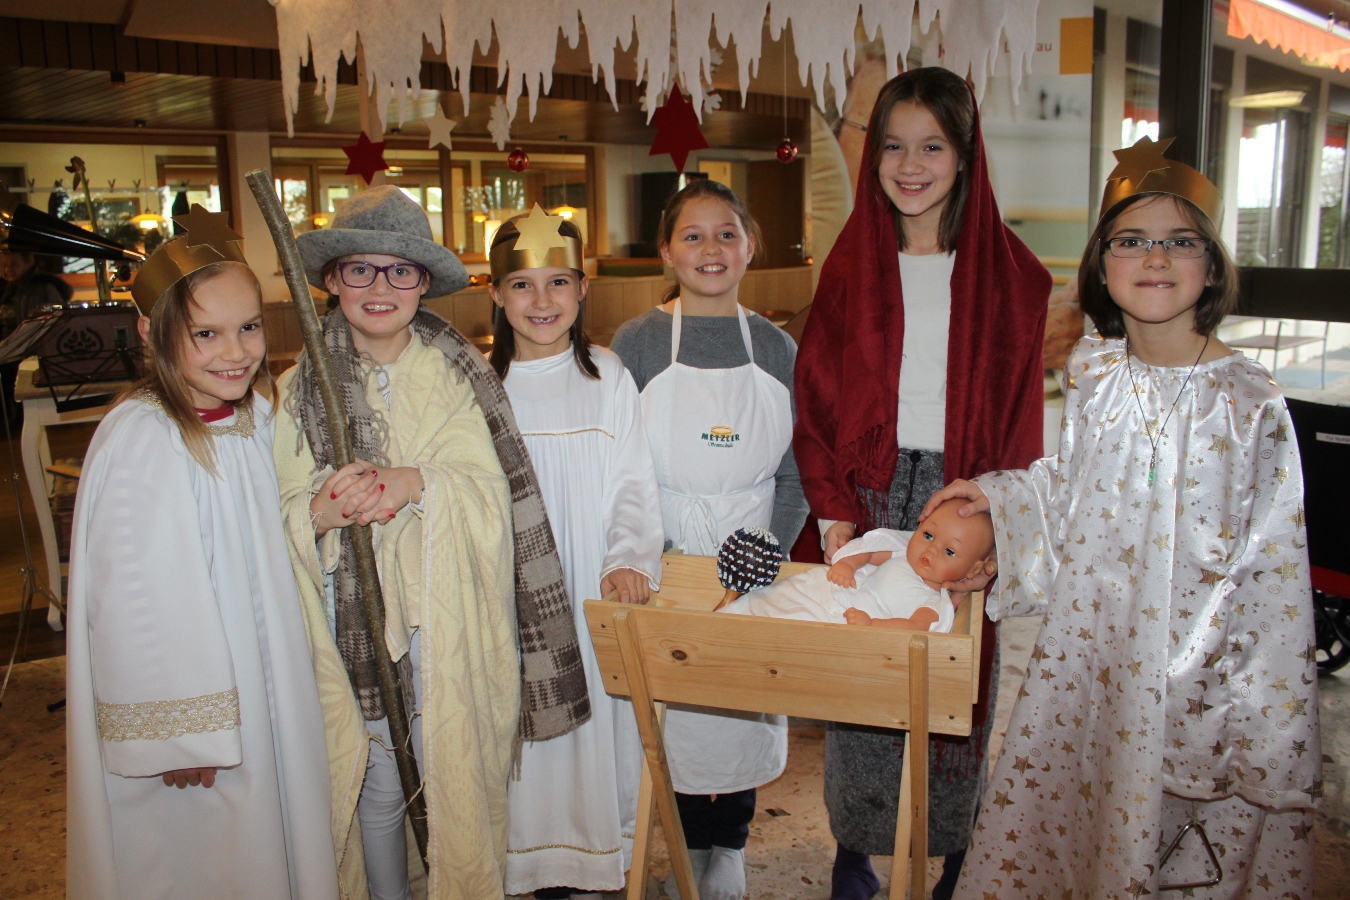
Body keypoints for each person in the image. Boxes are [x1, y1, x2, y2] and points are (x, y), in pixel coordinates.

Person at [937, 137, 1322, 898]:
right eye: (1132, 240)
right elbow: (1076, 491)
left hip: (1195, 683)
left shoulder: (1249, 403)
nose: (1155, 257)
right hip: (1089, 664)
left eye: (1180, 241)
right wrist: (1001, 505)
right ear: (1102, 263)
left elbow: (1274, 574)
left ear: (1211, 264)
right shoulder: (1095, 371)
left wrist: (1259, 723)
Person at [275, 186, 590, 900]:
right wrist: (320, 511)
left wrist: (418, 482)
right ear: (332, 280)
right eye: (360, 269)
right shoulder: (299, 389)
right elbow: (275, 508)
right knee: (379, 780)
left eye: (400, 271)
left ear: (423, 283)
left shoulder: (456, 375)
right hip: (351, 622)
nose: (380, 287)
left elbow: (489, 491)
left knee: (450, 769)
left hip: (443, 623)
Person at [793, 66, 1051, 900]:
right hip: (871, 488)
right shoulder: (851, 265)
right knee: (863, 673)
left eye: (932, 146)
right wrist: (834, 507)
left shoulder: (1013, 276)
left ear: (965, 154)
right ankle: (857, 848)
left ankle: (954, 851)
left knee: (956, 684)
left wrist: (1001, 518)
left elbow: (1021, 418)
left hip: (964, 495)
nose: (910, 165)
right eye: (893, 146)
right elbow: (816, 396)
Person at [65, 220, 338, 899]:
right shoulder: (144, 438)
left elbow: (262, 545)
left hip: (265, 682)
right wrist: (181, 735)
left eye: (249, 328)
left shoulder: (253, 418)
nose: (235, 352)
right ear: (150, 333)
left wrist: (321, 512)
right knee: (210, 861)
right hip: (202, 725)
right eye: (206, 334)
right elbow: (136, 598)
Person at [610, 178, 809, 900]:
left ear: (750, 246)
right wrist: (642, 551)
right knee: (675, 710)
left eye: (726, 233)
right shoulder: (636, 343)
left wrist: (768, 551)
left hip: (752, 550)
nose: (711, 249)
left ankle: (731, 845)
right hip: (662, 552)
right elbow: (619, 463)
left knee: (745, 700)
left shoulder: (778, 347)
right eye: (692, 236)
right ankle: (688, 844)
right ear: (667, 252)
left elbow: (797, 471)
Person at [487, 208, 664, 898]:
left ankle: (591, 861)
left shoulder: (608, 376)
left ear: (583, 289)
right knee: (521, 729)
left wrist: (628, 557)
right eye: (522, 285)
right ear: (495, 294)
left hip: (589, 580)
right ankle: (528, 863)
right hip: (511, 591)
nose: (542, 300)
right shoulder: (481, 385)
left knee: (593, 725)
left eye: (558, 282)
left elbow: (632, 482)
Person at [723, 498, 994, 633]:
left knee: (803, 627)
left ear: (972, 570)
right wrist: (849, 566)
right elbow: (869, 552)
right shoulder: (899, 555)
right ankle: (731, 618)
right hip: (841, 592)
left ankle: (751, 635)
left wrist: (873, 624)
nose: (931, 550)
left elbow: (913, 627)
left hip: (860, 621)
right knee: (788, 592)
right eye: (928, 535)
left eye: (949, 551)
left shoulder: (931, 603)